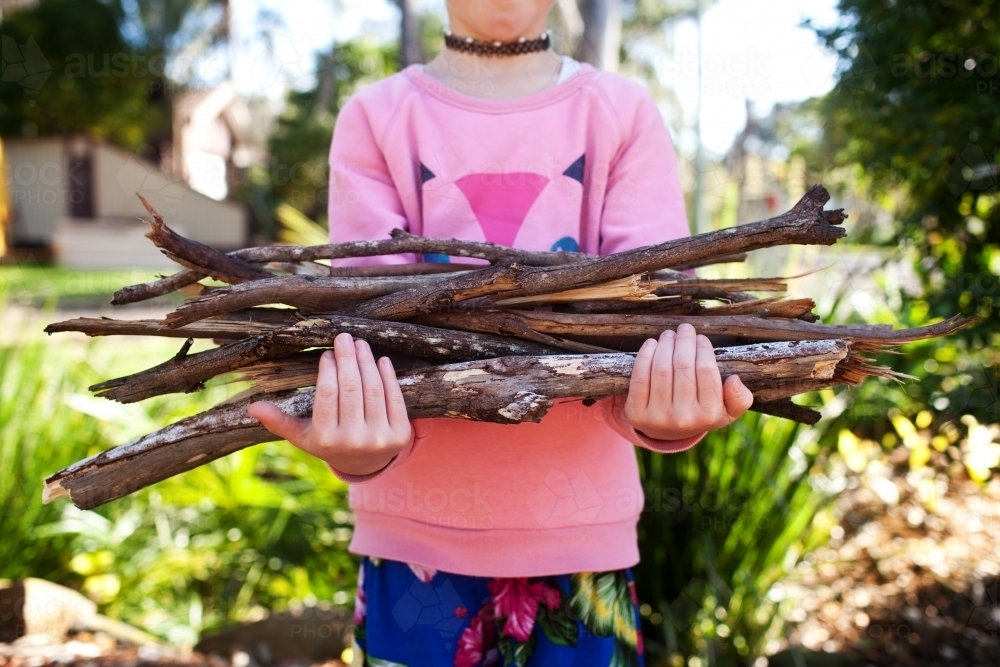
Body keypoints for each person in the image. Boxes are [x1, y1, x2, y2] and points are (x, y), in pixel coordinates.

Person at [248, 2, 754, 665]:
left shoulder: (622, 114)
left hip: (583, 546)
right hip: (413, 548)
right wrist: (358, 447)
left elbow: (653, 327)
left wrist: (668, 412)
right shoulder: (376, 119)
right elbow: (375, 347)